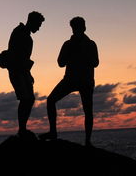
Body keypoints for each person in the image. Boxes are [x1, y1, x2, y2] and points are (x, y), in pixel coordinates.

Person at [40, 16, 99, 146]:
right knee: (51, 100)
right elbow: (61, 63)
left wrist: (80, 56)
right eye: (75, 27)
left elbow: (95, 62)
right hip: (72, 79)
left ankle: (87, 141)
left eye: (78, 27)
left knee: (88, 111)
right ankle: (54, 132)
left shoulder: (90, 44)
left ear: (83, 28)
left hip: (84, 81)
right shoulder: (69, 44)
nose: (76, 30)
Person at [7, 11, 45, 137]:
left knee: (29, 99)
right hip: (17, 71)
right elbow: (17, 55)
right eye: (38, 25)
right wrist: (24, 72)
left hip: (23, 71)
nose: (38, 28)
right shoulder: (19, 32)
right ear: (32, 21)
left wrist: (28, 74)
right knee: (25, 99)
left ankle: (22, 128)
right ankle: (22, 129)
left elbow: (23, 58)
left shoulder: (25, 34)